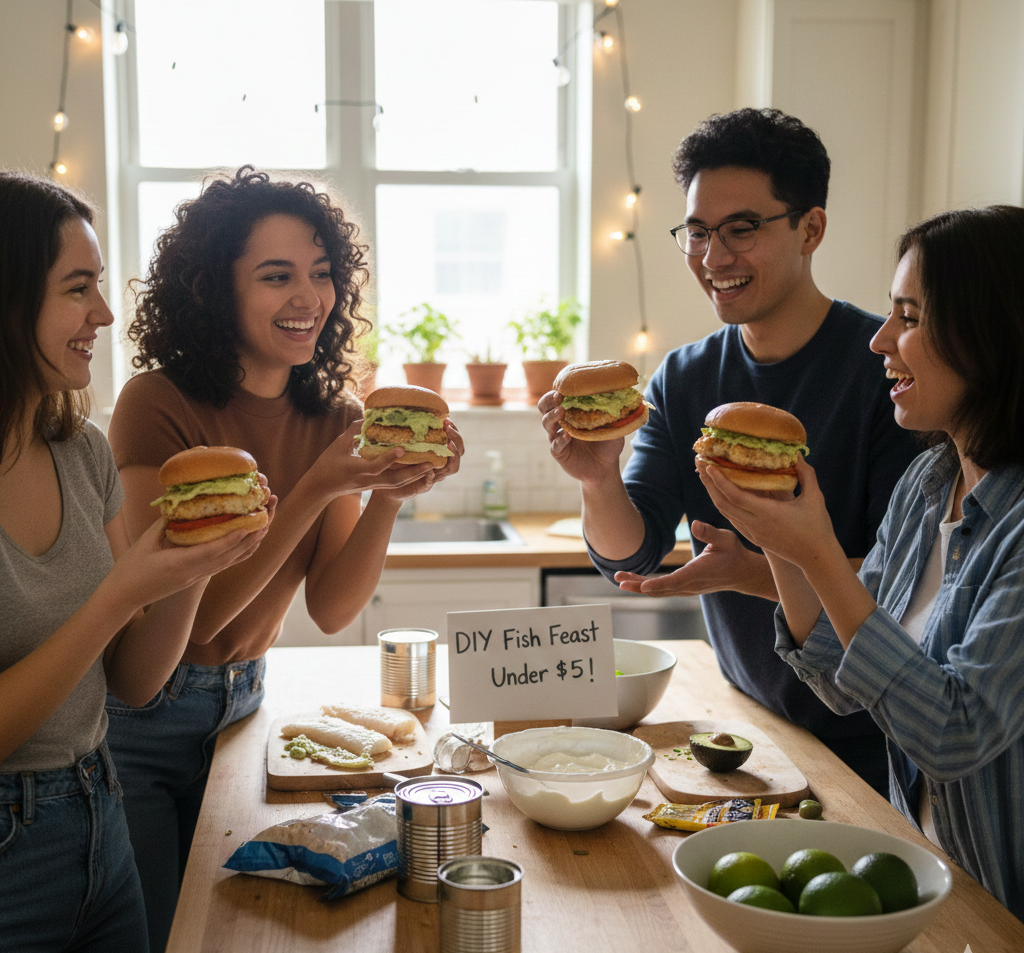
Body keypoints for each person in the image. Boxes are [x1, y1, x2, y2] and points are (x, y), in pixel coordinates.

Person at [105, 166, 464, 952]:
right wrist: (316, 486)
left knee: (234, 929)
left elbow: (333, 608)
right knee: (159, 933)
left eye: (322, 273)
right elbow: (195, 620)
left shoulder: (333, 415)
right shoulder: (156, 404)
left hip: (245, 707)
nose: (309, 297)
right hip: (144, 717)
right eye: (276, 276)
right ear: (213, 290)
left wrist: (388, 493)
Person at [539, 108, 920, 796]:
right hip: (750, 728)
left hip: (874, 743)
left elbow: (904, 586)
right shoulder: (684, 378)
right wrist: (598, 480)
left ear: (810, 228)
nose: (714, 258)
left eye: (742, 228)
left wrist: (752, 572)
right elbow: (632, 554)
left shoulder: (888, 373)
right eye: (698, 231)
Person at [698, 204, 1024, 918]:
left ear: (992, 334)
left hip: (1003, 907)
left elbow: (952, 733)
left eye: (909, 317)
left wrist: (818, 551)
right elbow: (843, 678)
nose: (880, 340)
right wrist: (782, 543)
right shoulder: (929, 483)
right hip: (924, 879)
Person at [0, 172, 267, 951]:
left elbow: (135, 680)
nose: (105, 313)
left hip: (100, 814)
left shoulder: (81, 452)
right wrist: (120, 594)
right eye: (77, 288)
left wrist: (194, 564)